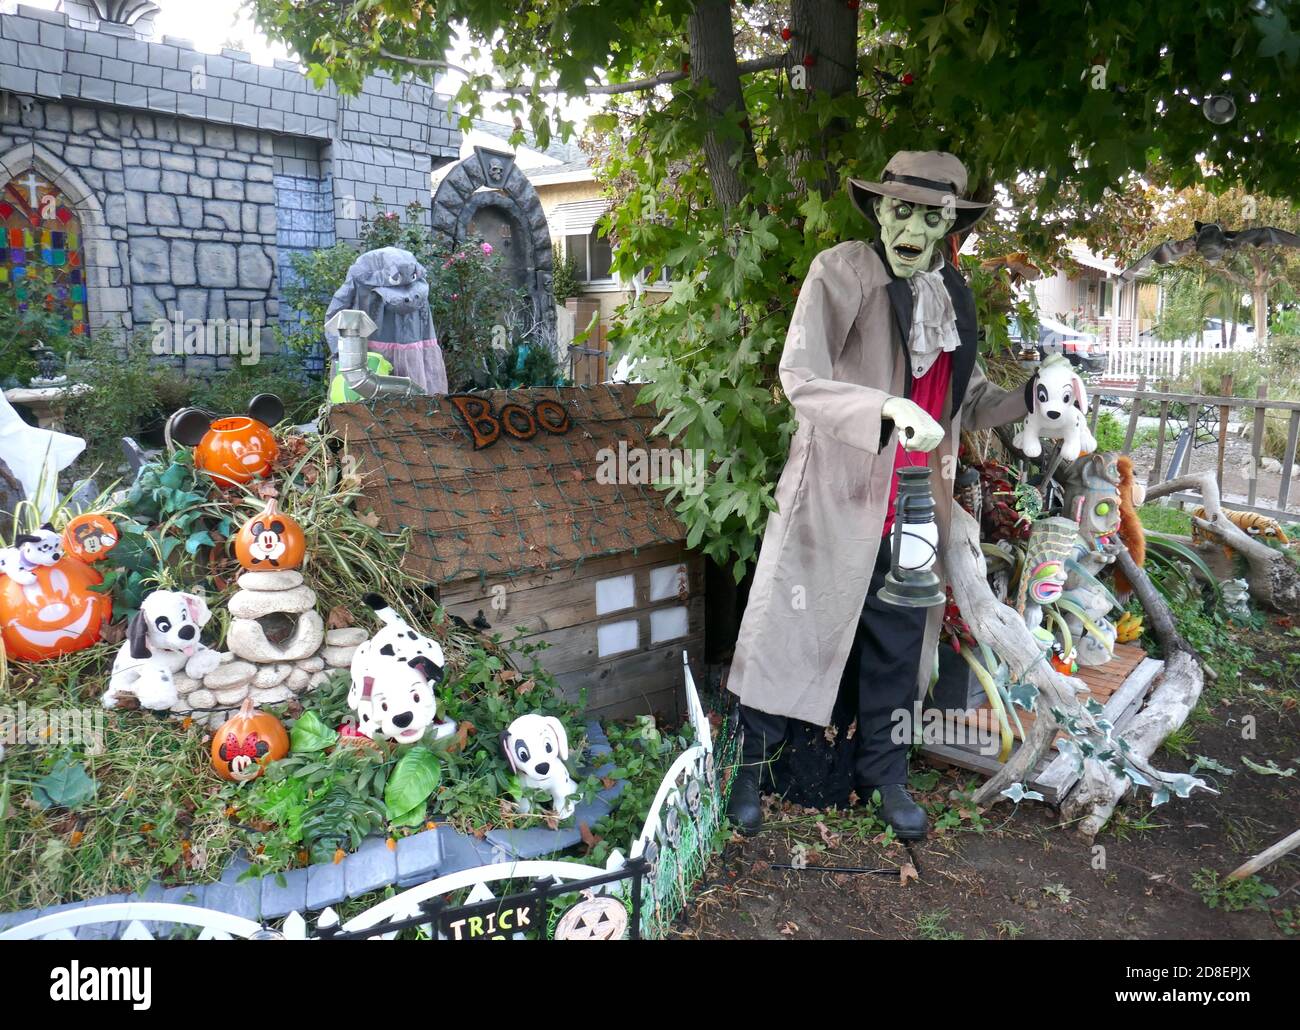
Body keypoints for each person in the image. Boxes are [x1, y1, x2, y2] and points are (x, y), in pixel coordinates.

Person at [727, 151, 1032, 838]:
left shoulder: (953, 294)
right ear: (879, 211)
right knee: (792, 628)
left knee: (898, 644)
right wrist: (885, 411)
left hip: (918, 505)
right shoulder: (840, 273)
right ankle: (747, 766)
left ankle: (885, 777)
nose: (914, 227)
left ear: (951, 223)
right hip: (836, 495)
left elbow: (969, 401)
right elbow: (799, 376)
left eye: (932, 216)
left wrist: (1030, 399)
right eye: (902, 210)